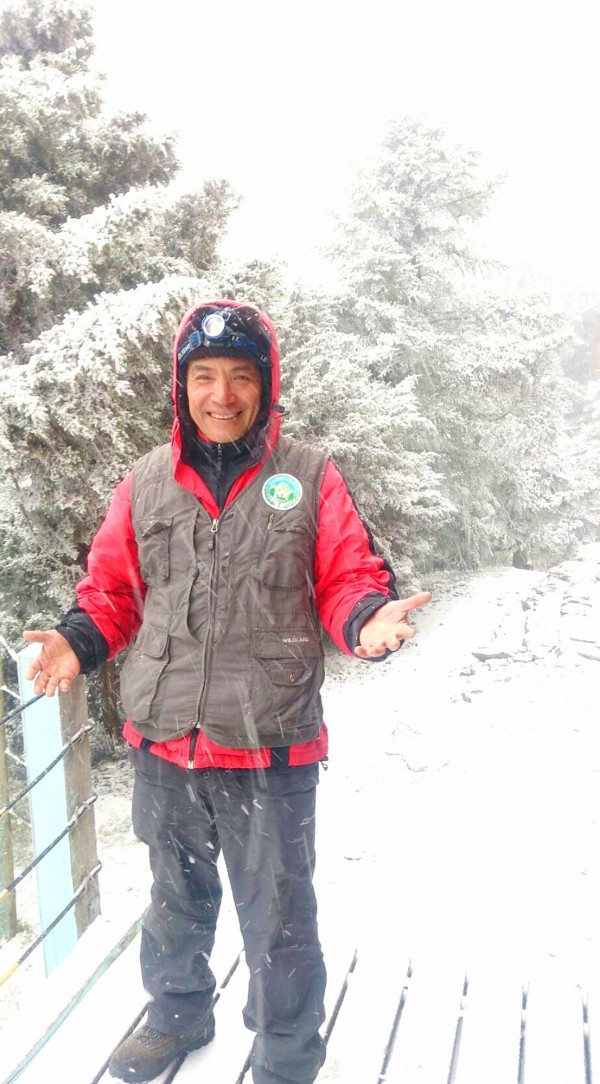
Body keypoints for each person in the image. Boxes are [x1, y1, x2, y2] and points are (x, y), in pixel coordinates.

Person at [23, 300, 431, 1084]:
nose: (221, 394)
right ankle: (177, 1016)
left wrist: (368, 621)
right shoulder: (145, 480)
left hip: (269, 741)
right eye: (204, 376)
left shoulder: (309, 475)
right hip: (163, 736)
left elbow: (348, 577)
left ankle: (286, 1053)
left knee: (279, 917)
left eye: (240, 377)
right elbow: (113, 588)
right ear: (181, 387)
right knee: (174, 898)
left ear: (265, 384)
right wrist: (77, 640)